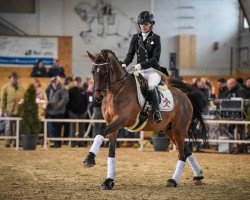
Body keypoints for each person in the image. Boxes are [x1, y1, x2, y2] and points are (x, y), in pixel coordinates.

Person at [122, 11, 163, 123]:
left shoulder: (156, 38)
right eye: (141, 24)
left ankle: (157, 112)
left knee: (150, 86)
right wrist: (124, 64)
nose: (143, 26)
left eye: (145, 24)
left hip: (152, 71)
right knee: (128, 84)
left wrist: (142, 65)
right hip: (139, 71)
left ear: (151, 24)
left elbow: (155, 58)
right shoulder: (136, 37)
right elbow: (130, 54)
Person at [0, 72, 25, 147]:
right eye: (14, 78)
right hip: (9, 111)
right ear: (10, 78)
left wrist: (23, 100)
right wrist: (2, 110)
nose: (15, 79)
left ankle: (17, 142)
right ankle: (8, 142)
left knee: (19, 128)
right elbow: (3, 100)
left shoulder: (22, 88)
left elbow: (25, 97)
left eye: (16, 78)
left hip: (20, 110)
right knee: (8, 127)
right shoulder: (5, 87)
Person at [46, 76, 69, 148]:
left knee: (57, 128)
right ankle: (54, 142)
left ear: (58, 81)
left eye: (54, 82)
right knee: (51, 128)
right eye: (52, 82)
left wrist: (57, 106)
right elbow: (45, 93)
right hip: (51, 111)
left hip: (59, 112)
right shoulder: (50, 89)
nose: (53, 83)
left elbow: (65, 99)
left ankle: (58, 143)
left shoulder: (62, 88)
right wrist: (49, 86)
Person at [68, 77, 89, 147]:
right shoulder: (70, 90)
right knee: (72, 127)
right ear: (74, 82)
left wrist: (85, 110)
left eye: (79, 82)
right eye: (77, 82)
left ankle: (81, 142)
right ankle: (73, 143)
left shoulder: (83, 90)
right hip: (73, 112)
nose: (78, 83)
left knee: (82, 127)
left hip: (82, 112)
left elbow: (87, 101)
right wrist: (70, 110)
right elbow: (68, 102)